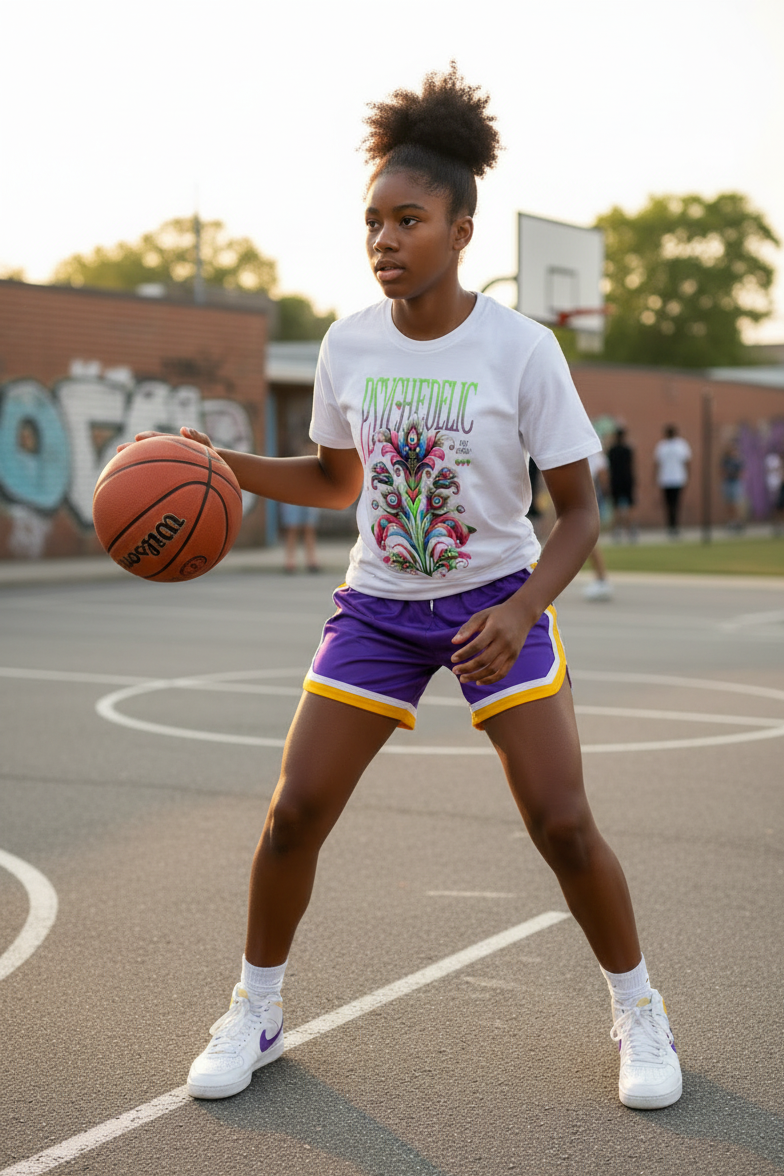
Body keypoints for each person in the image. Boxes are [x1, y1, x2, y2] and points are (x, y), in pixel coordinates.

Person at [133, 67, 681, 1111]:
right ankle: (256, 1007)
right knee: (292, 812)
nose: (384, 239)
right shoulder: (349, 341)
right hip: (378, 605)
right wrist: (222, 466)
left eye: (408, 219)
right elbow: (340, 481)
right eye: (372, 221)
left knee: (562, 823)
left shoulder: (523, 350)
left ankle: (640, 1008)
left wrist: (522, 608)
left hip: (494, 602)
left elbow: (578, 513)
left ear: (460, 231)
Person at [280, 442, 321, 572]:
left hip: (310, 499)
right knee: (292, 529)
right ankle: (290, 561)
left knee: (309, 529)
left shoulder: (317, 465)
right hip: (294, 498)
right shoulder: (293, 465)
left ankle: (311, 560)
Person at [584, 449, 614, 600]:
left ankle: (602, 580)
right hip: (583, 495)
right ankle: (601, 579)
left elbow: (601, 473)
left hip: (586, 496)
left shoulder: (590, 448)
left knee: (588, 539)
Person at [654, 424, 692, 538]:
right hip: (670, 478)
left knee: (673, 504)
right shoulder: (664, 446)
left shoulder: (677, 445)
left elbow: (687, 462)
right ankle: (672, 526)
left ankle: (673, 525)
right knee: (670, 504)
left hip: (674, 478)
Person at [607, 426, 637, 542]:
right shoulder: (628, 450)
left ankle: (617, 530)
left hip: (615, 480)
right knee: (630, 505)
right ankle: (631, 530)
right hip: (627, 479)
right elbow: (631, 466)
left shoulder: (612, 450)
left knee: (616, 506)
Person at [719, 439, 744, 532]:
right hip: (727, 483)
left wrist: (734, 474)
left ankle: (738, 522)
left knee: (736, 503)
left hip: (735, 483)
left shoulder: (738, 460)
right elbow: (722, 471)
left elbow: (742, 473)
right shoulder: (725, 460)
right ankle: (730, 522)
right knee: (728, 504)